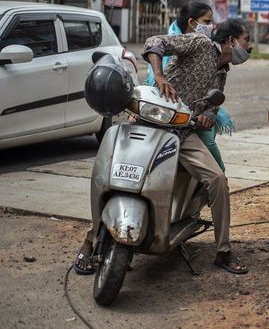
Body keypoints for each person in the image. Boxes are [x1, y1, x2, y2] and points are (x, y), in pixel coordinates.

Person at [74, 19, 253, 275]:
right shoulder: (199, 43)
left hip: (183, 133)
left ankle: (223, 250)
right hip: (149, 122)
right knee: (117, 177)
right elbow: (155, 43)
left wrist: (208, 117)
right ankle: (92, 240)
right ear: (231, 40)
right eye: (247, 40)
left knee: (217, 180)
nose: (249, 47)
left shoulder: (222, 71)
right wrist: (158, 75)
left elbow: (212, 108)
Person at [146, 1, 235, 172]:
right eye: (207, 22)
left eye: (211, 22)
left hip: (191, 117)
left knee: (213, 162)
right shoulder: (177, 40)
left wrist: (208, 112)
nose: (211, 26)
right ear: (192, 23)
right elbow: (153, 68)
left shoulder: (207, 46)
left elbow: (214, 83)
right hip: (163, 108)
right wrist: (159, 76)